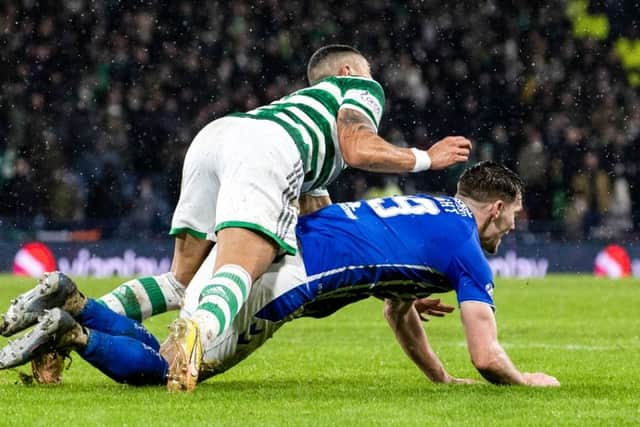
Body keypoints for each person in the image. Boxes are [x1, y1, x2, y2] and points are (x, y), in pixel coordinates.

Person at [0, 45, 472, 386]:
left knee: (180, 282)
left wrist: (394, 292)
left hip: (218, 136)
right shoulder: (357, 88)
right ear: (347, 71)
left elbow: (330, 242)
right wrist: (425, 158)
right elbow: (358, 143)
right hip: (264, 151)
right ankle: (194, 341)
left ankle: (68, 304)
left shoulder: (305, 135)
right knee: (238, 273)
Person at [0, 162, 559, 389]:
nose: (508, 230)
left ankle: (71, 299)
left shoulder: (431, 209)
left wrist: (440, 379)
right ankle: (71, 331)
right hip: (286, 279)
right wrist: (525, 380)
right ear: (493, 208)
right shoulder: (468, 250)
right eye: (509, 218)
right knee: (172, 370)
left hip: (262, 238)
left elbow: (396, 309)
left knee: (174, 327)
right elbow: (486, 356)